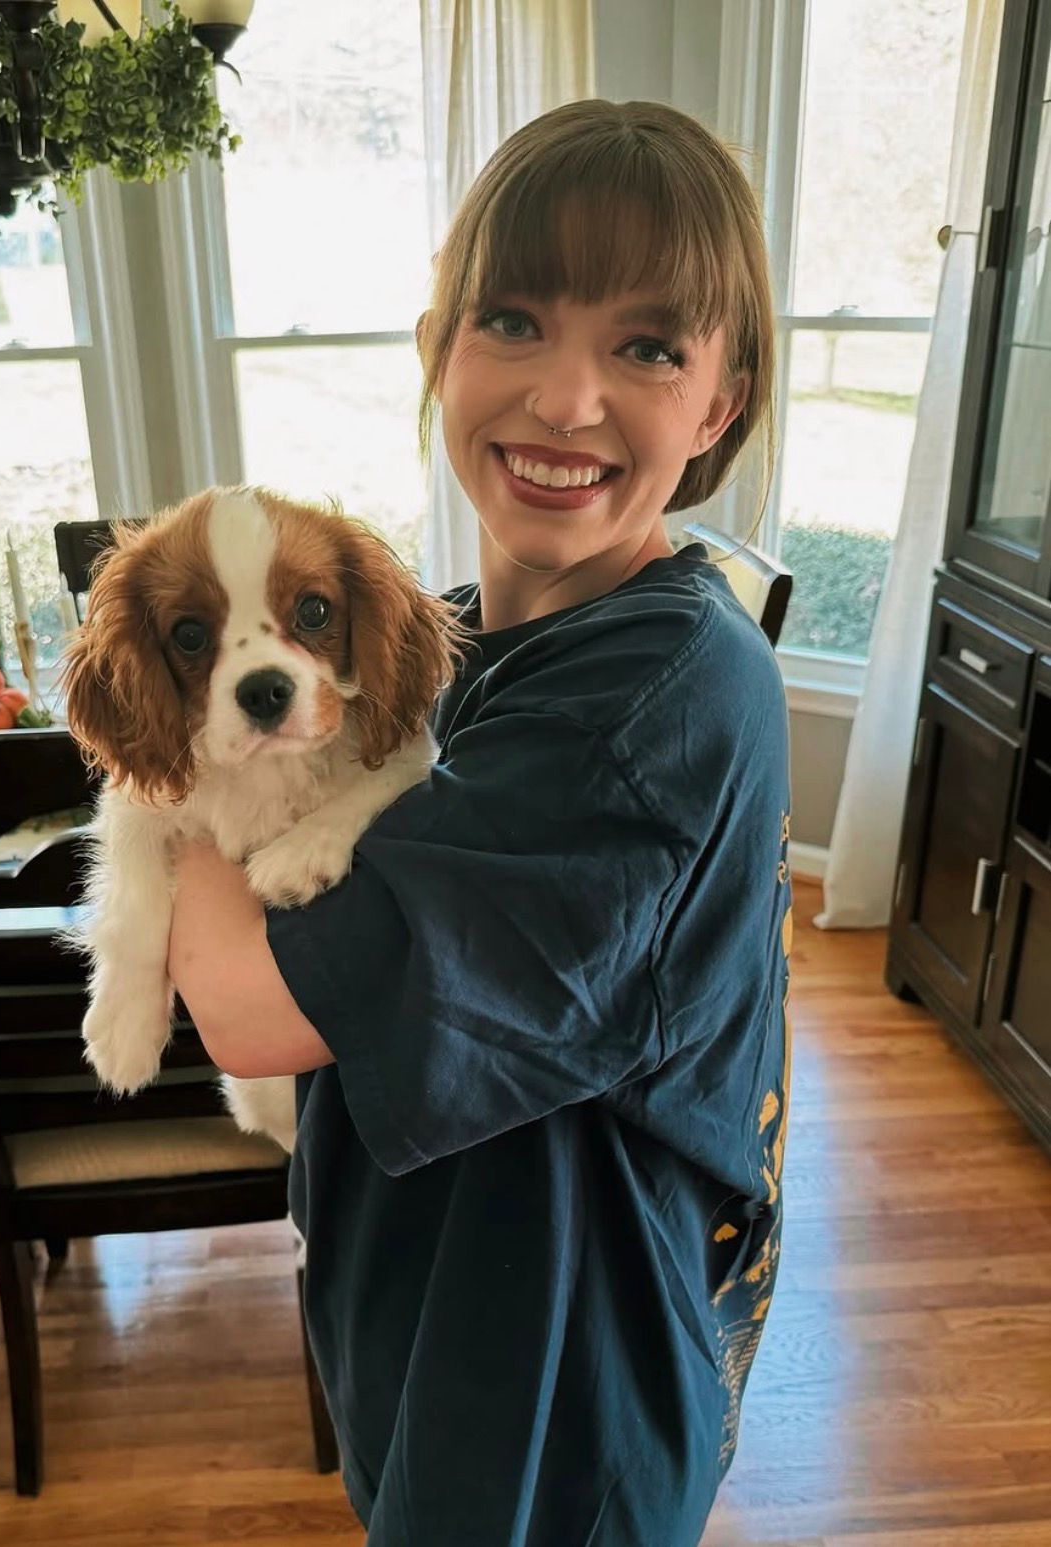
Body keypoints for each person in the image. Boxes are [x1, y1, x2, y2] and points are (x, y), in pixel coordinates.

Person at [166, 98, 792, 1547]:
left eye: (645, 347)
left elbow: (254, 1012)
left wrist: (175, 775)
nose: (565, 402)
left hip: (546, 1373)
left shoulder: (653, 690)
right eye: (511, 321)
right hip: (429, 1306)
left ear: (718, 405)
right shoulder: (443, 647)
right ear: (436, 347)